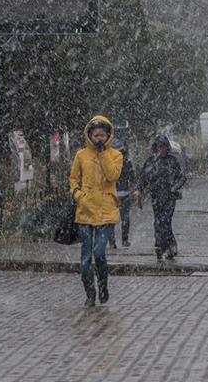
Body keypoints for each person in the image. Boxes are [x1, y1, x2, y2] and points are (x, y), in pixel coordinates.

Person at [69, 116, 123, 307]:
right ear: (89, 135)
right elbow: (73, 179)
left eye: (102, 135)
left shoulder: (115, 155)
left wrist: (102, 154)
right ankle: (89, 294)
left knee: (99, 252)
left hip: (106, 212)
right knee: (85, 260)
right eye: (95, 135)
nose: (98, 138)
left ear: (108, 136)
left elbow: (112, 175)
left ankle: (103, 286)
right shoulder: (81, 155)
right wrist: (79, 196)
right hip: (85, 212)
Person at [138, 135, 185, 262]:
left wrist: (174, 188)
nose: (161, 149)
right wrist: (139, 190)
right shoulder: (150, 161)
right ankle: (164, 245)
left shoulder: (172, 160)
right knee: (159, 222)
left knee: (164, 221)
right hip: (156, 197)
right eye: (159, 147)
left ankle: (163, 247)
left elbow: (181, 177)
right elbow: (143, 177)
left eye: (163, 147)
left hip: (169, 198)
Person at [111, 140, 137, 248]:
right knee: (112, 220)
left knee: (124, 218)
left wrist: (135, 190)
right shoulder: (109, 163)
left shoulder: (126, 163)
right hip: (112, 194)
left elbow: (133, 178)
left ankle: (123, 240)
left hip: (124, 194)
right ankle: (113, 242)